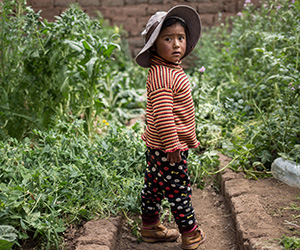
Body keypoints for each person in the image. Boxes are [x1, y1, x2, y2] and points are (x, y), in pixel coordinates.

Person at [135, 5, 206, 250]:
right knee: (178, 191)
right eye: (168, 38)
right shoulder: (165, 76)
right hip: (168, 147)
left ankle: (150, 227)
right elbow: (164, 116)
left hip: (157, 147)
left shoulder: (165, 69)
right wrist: (173, 145)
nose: (176, 44)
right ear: (154, 45)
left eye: (181, 38)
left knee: (154, 186)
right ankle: (190, 234)